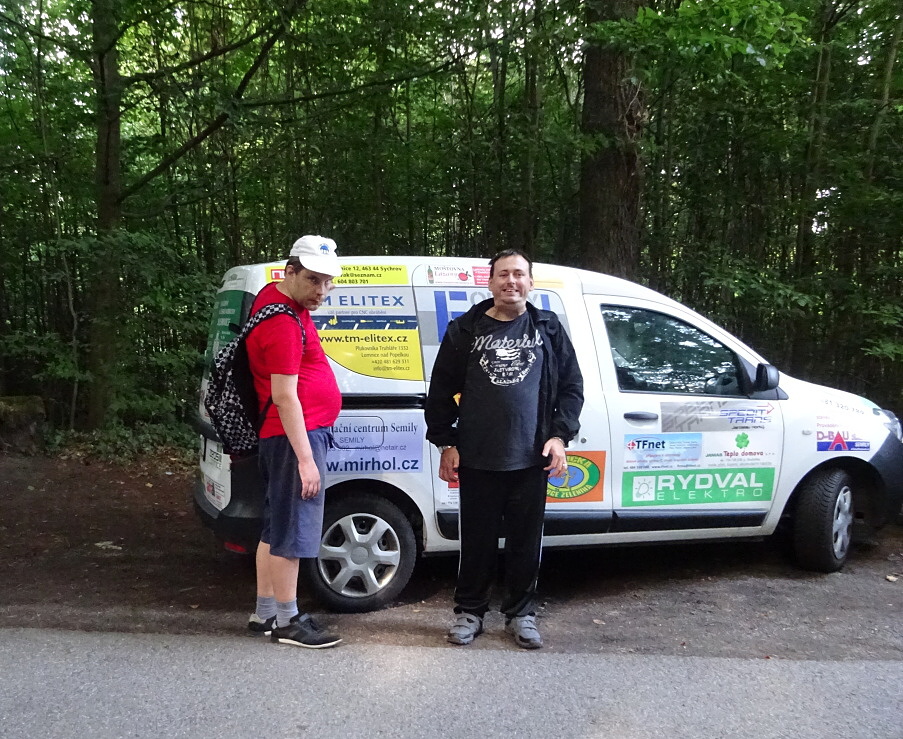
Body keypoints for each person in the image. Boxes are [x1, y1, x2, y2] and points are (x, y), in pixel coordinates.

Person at [425, 249, 584, 649]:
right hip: (476, 456)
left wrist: (559, 436)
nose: (511, 281)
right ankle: (469, 613)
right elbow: (440, 389)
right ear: (490, 281)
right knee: (476, 542)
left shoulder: (548, 328)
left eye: (518, 274)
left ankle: (521, 614)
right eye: (503, 274)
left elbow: (571, 387)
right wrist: (447, 441)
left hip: (532, 458)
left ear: (530, 282)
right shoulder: (465, 330)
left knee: (525, 543)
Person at [245, 235, 343, 649]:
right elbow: (285, 396)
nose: (322, 290)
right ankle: (288, 621)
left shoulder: (275, 298)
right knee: (293, 530)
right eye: (313, 280)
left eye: (328, 281)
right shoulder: (283, 323)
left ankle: (265, 612)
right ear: (290, 272)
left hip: (284, 435)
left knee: (275, 527)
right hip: (292, 437)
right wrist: (306, 459)